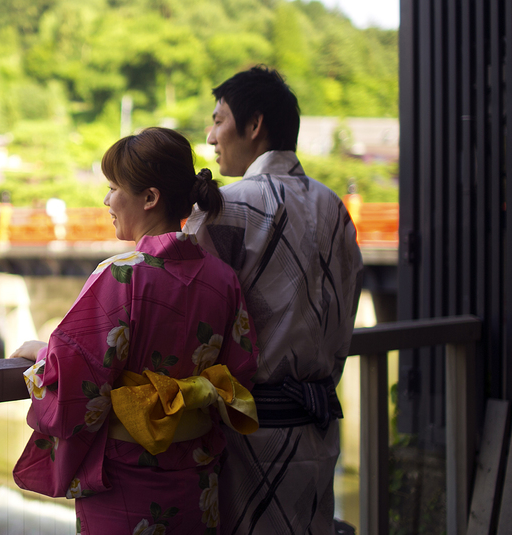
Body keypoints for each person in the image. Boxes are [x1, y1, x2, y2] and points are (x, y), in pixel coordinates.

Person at [11, 127, 260, 534]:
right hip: (197, 479)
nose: (106, 200)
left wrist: (44, 354)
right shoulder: (223, 279)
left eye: (113, 188)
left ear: (149, 197)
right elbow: (241, 371)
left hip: (126, 480)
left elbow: (77, 380)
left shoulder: (121, 277)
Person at [183, 66, 364, 534]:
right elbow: (347, 311)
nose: (210, 135)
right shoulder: (335, 209)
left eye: (219, 119)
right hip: (320, 425)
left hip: (246, 434)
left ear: (254, 125)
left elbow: (184, 319)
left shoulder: (228, 207)